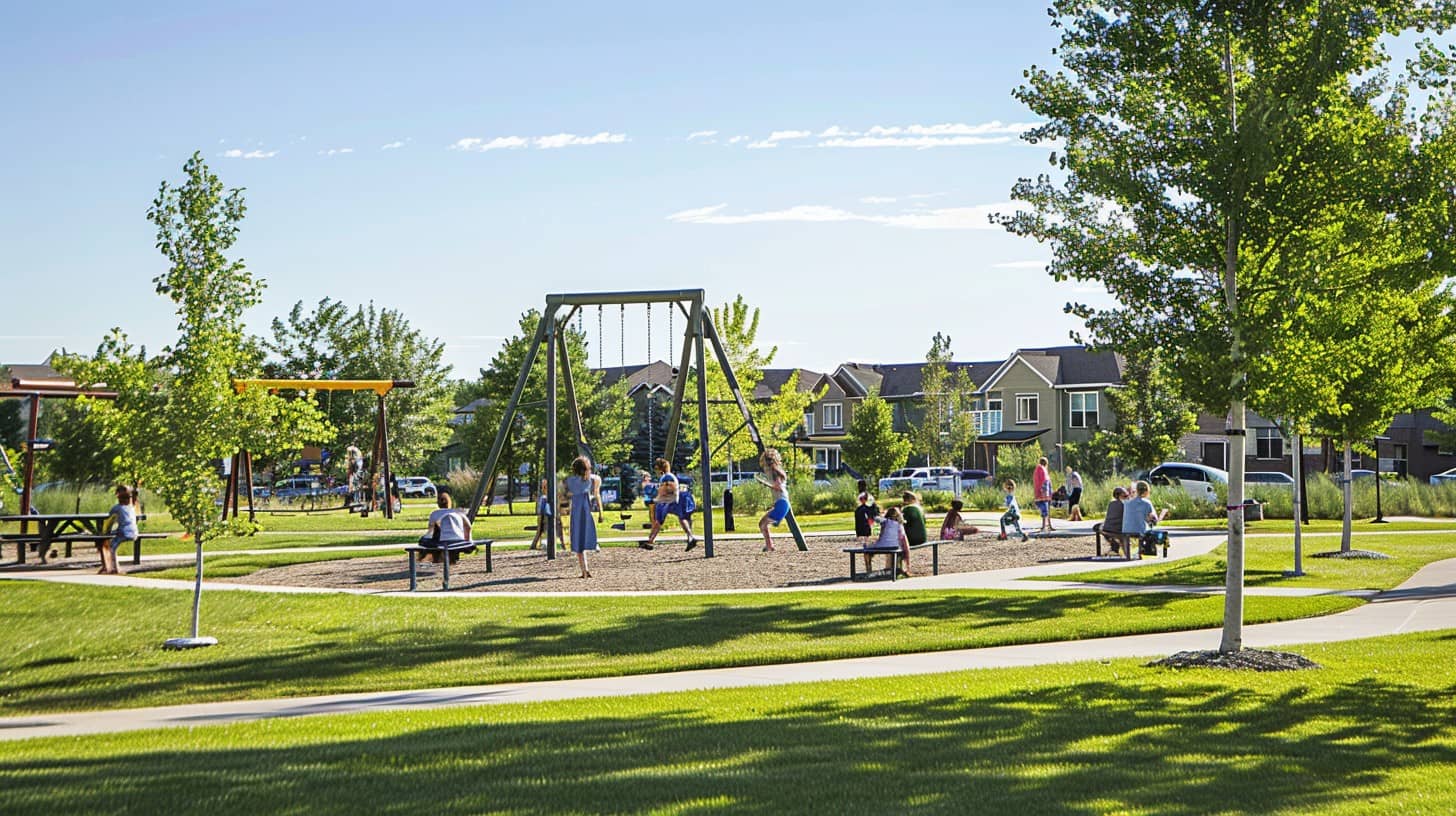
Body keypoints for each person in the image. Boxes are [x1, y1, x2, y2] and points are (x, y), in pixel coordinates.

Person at [643, 458, 697, 551]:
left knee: (659, 521)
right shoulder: (668, 477)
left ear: (659, 468)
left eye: (656, 468)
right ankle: (690, 537)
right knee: (680, 518)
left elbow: (665, 492)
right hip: (670, 501)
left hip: (668, 502)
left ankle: (650, 541)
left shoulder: (667, 477)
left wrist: (655, 500)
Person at [565, 456, 602, 578]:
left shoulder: (570, 481)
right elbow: (597, 495)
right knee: (586, 535)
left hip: (576, 512)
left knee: (578, 541)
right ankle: (585, 568)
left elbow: (565, 494)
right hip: (586, 511)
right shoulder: (593, 480)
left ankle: (584, 569)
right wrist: (601, 512)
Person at [419, 490, 472, 568]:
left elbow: (431, 530)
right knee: (451, 538)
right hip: (458, 540)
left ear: (438, 503)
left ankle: (434, 558)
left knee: (427, 540)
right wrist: (467, 540)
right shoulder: (458, 512)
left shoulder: (435, 514)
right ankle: (452, 558)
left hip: (443, 542)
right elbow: (468, 527)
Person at [98, 484, 138, 575]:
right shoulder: (131, 507)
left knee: (111, 547)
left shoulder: (117, 508)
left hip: (123, 533)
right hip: (134, 532)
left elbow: (109, 518)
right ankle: (111, 567)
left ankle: (113, 568)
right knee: (109, 542)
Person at [756, 448, 790, 551]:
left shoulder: (774, 472)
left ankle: (769, 546)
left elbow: (778, 487)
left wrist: (764, 483)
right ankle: (769, 545)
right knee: (762, 523)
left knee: (763, 524)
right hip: (781, 503)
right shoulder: (776, 470)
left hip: (782, 504)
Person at [864, 505, 910, 577]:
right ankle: (895, 570)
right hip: (895, 546)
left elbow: (875, 518)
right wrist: (908, 564)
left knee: (866, 551)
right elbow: (905, 542)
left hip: (882, 545)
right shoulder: (900, 526)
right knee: (896, 551)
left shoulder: (885, 521)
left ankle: (869, 571)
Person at [1120, 480, 1161, 557]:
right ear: (1146, 491)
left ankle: (1138, 551)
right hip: (1139, 530)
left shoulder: (1127, 502)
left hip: (1126, 530)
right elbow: (1153, 518)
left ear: (1137, 490)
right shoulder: (1146, 503)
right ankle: (1147, 551)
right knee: (1151, 530)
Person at [1100, 486, 1128, 555]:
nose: (1126, 496)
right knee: (1124, 536)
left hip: (1106, 529)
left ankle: (1115, 549)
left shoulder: (1111, 503)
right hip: (1116, 530)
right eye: (1125, 494)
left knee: (1118, 538)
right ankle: (1126, 554)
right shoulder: (1124, 504)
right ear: (1119, 495)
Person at [1033, 456, 1053, 532]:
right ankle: (1045, 526)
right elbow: (1044, 480)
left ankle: (1046, 525)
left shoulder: (1039, 469)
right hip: (1044, 493)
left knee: (1045, 509)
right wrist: (1045, 491)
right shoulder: (1041, 469)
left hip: (1042, 492)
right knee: (1045, 509)